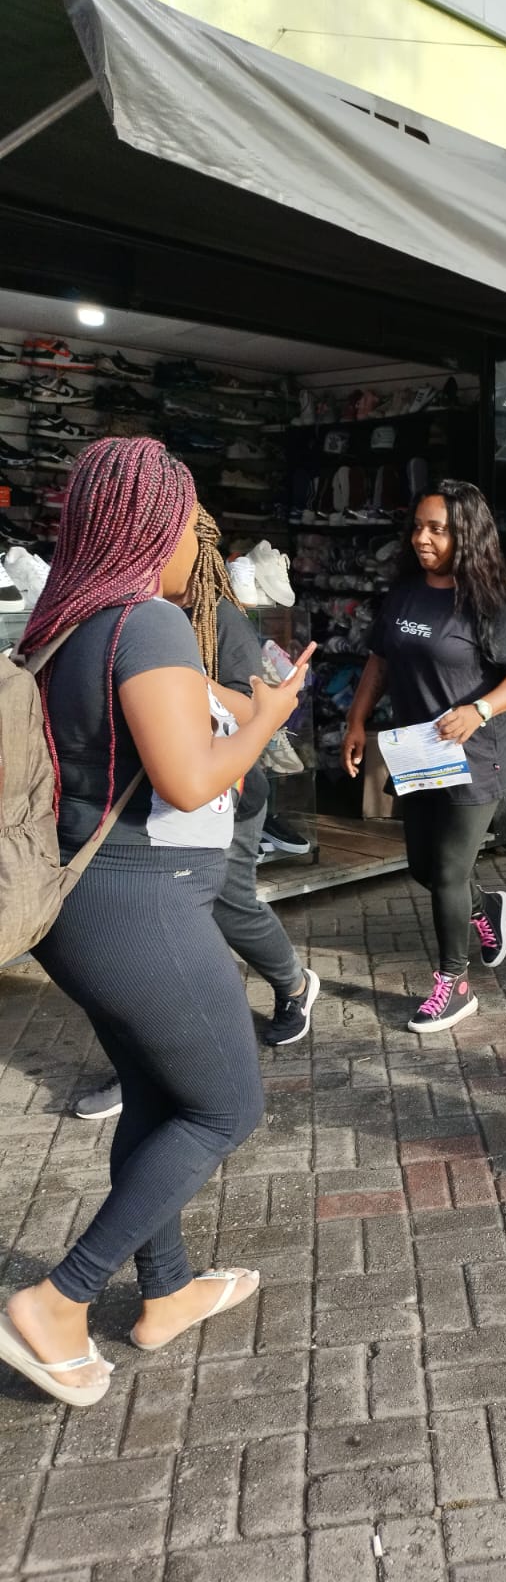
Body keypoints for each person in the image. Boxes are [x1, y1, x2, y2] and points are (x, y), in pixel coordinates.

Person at [0, 437, 312, 1407]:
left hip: (89, 911)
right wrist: (268, 721)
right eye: (188, 524)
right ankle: (59, 1300)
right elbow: (188, 777)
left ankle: (167, 1290)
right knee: (225, 1107)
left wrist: (243, 707)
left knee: (158, 1095)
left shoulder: (68, 623)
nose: (196, 543)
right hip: (142, 909)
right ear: (153, 527)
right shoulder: (149, 622)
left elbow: (160, 737)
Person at [72, 507, 321, 1122]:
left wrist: (186, 689)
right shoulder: (121, 613)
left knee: (229, 905)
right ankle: (147, 1064)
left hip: (223, 794)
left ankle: (293, 983)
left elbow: (253, 708)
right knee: (156, 936)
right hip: (155, 810)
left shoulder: (212, 618)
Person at [342, 480, 506, 1033]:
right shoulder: (406, 593)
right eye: (419, 527)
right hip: (417, 754)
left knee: (450, 872)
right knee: (424, 867)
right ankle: (485, 908)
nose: (422, 538)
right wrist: (356, 721)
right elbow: (380, 660)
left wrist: (480, 709)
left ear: (466, 534)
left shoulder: (491, 602)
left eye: (438, 529)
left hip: (473, 754)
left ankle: (455, 985)